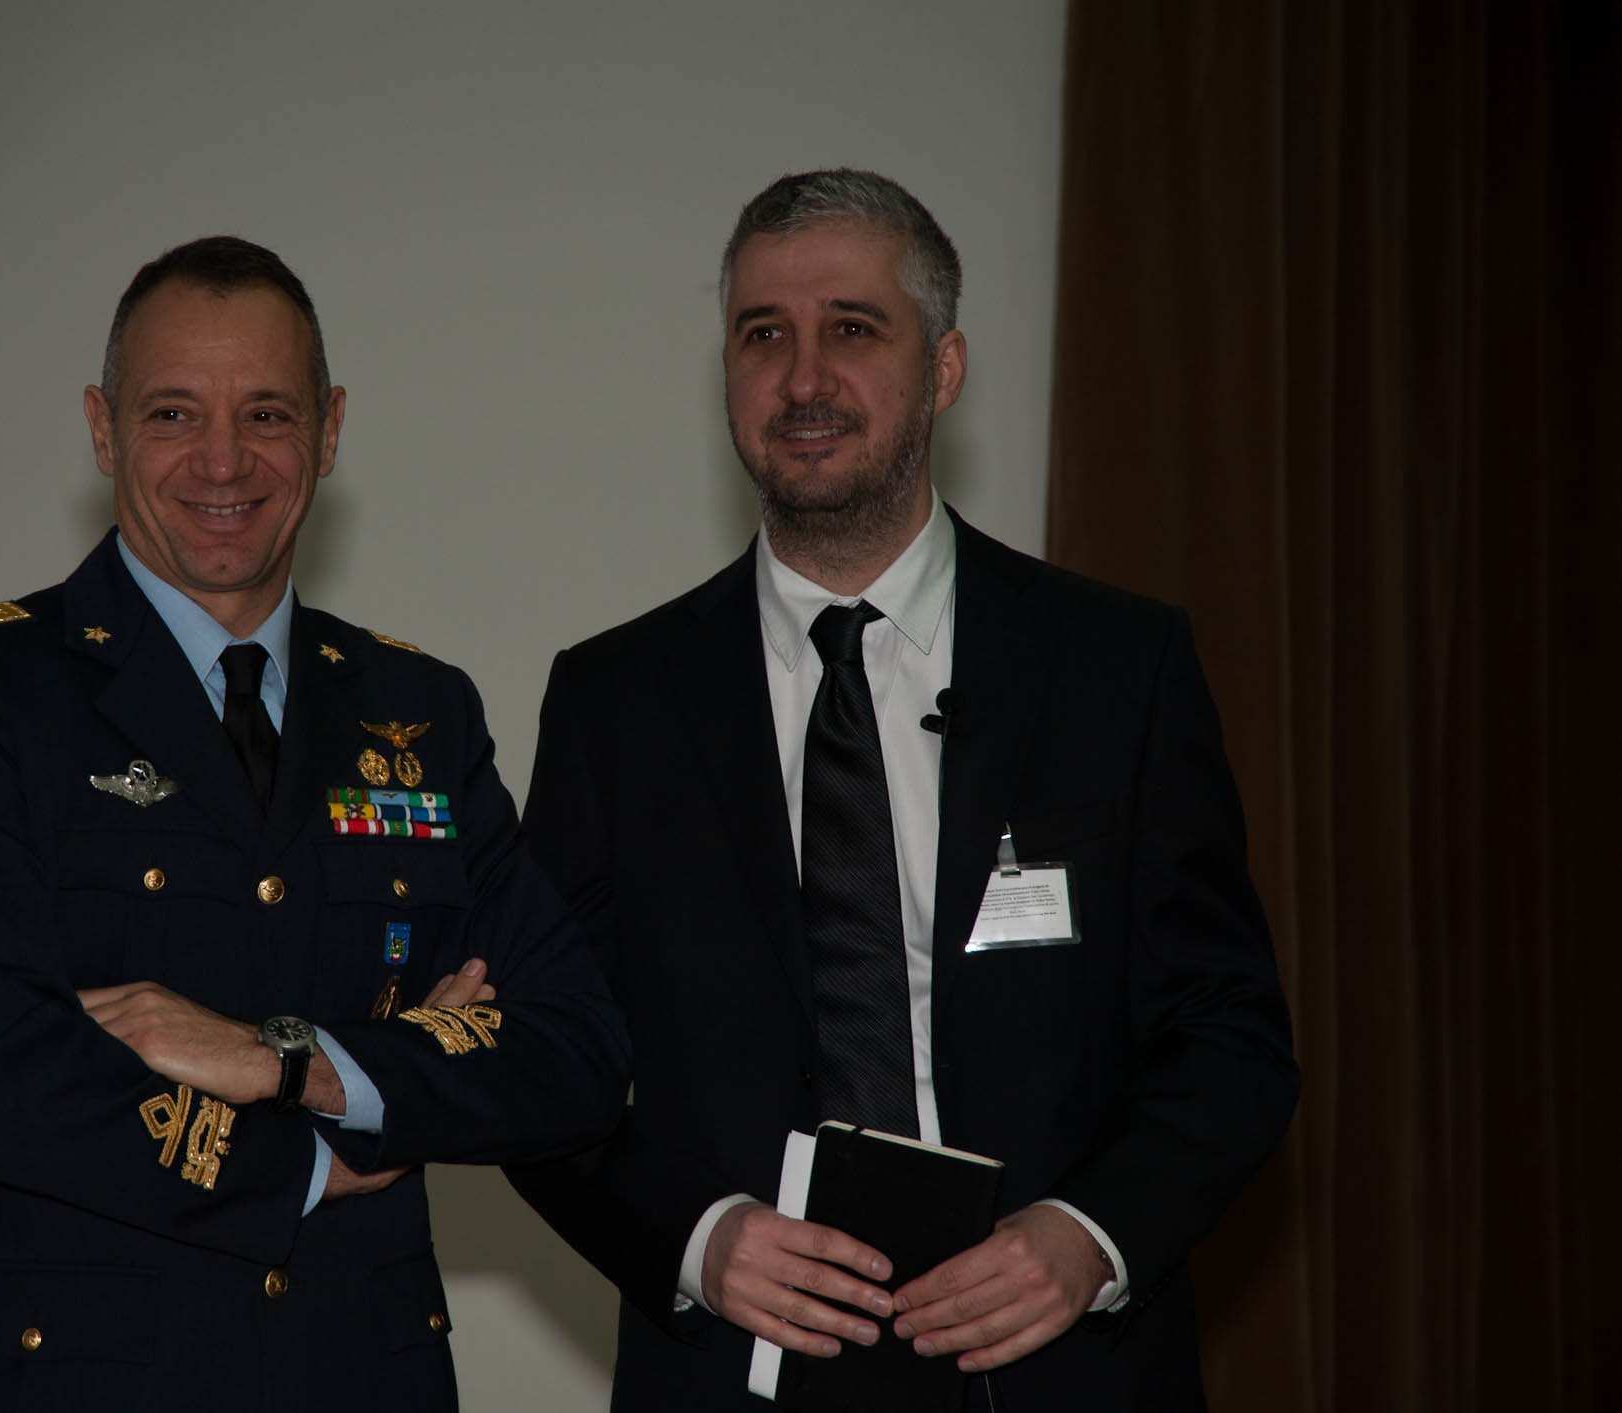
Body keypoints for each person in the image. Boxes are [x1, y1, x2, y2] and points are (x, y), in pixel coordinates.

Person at [507, 169, 1299, 1410]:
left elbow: (1229, 1039)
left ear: (942, 368)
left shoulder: (1115, 669)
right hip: (738, 1371)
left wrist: (1087, 1237)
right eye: (761, 334)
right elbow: (535, 1062)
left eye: (851, 329)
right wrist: (697, 1239)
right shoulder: (616, 700)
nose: (802, 379)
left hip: (1049, 1369)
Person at [0, 235, 629, 1411]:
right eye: (172, 413)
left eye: (266, 414)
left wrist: (290, 1062)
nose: (223, 461)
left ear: (328, 431)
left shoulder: (419, 710)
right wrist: (309, 1163)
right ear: (102, 429)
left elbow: (574, 1055)